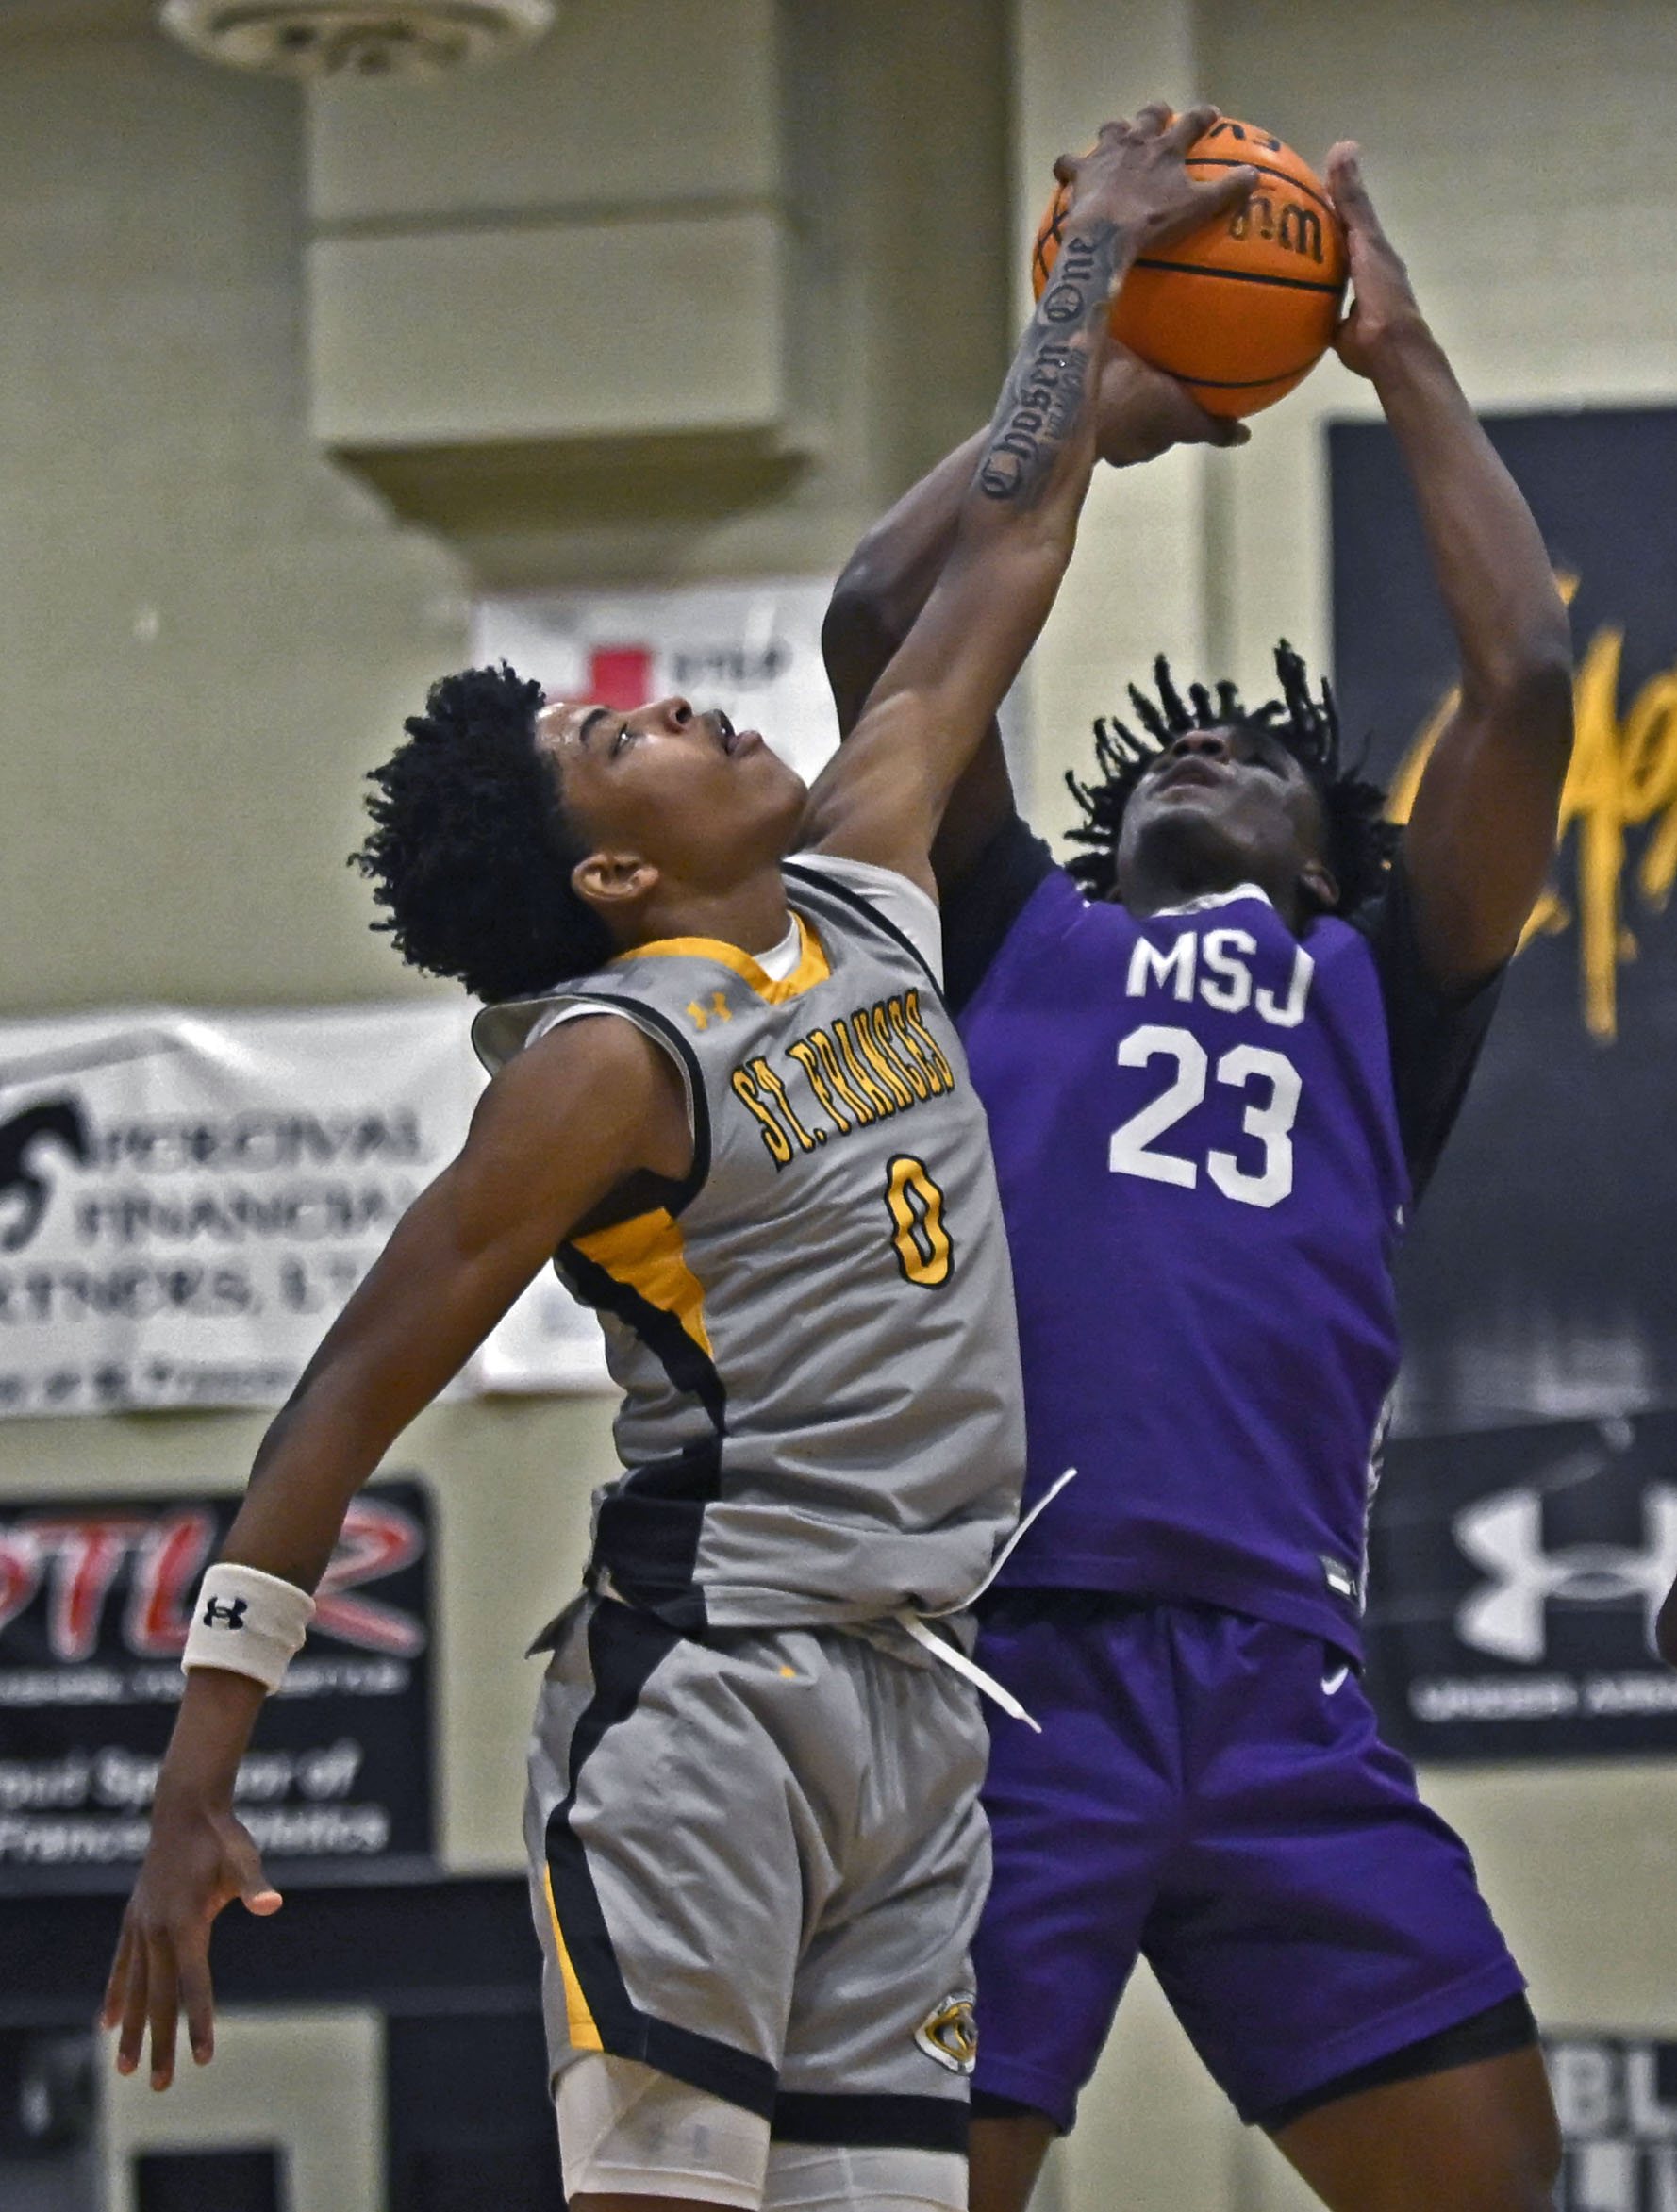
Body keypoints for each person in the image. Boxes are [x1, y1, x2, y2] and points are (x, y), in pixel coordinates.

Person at [99, 112, 1254, 2212]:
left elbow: (999, 558)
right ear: (620, 871)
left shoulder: (872, 880)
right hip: (708, 1705)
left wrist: (1087, 315)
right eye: (617, 741)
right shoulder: (609, 1066)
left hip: (920, 1709)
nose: (684, 713)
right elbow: (354, 1387)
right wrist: (198, 1772)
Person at [822, 142, 1574, 2212]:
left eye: (1246, 760)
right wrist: (1082, 349)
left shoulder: (1380, 988)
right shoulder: (1002, 939)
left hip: (1277, 1686)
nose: (1190, 757)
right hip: (1004, 1674)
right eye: (1157, 754)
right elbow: (885, 614)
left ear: (1335, 858)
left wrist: (1392, 342)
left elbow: (1523, 687)